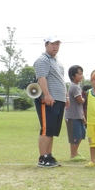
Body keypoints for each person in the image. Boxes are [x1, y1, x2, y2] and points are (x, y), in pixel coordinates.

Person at [34, 36, 68, 168]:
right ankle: (43, 157)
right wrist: (47, 95)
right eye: (53, 44)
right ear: (46, 44)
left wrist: (65, 97)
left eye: (57, 44)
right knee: (46, 129)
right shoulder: (43, 60)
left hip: (58, 99)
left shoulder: (57, 61)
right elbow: (41, 78)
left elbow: (60, 80)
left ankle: (49, 155)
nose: (55, 46)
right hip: (48, 99)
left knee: (52, 130)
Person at [65, 65, 86, 162]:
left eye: (82, 73)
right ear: (73, 76)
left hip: (78, 116)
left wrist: (83, 116)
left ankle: (75, 152)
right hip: (72, 116)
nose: (81, 76)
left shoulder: (77, 86)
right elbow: (80, 101)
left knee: (81, 134)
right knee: (75, 135)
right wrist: (85, 99)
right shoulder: (74, 87)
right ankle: (73, 154)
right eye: (79, 74)